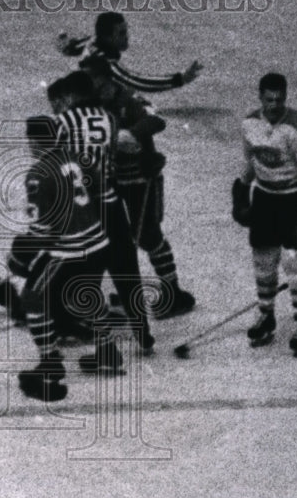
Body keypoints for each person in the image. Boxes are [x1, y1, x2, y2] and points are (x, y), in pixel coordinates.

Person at [11, 116, 127, 402]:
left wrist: (20, 257)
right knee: (83, 296)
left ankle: (50, 364)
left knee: (32, 297)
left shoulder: (38, 174)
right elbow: (107, 197)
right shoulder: (81, 158)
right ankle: (108, 353)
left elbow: (41, 229)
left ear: (36, 141)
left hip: (69, 251)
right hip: (99, 243)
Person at [46, 71, 155, 354]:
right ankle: (142, 332)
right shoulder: (109, 119)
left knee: (73, 265)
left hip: (81, 205)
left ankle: (64, 321)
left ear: (71, 96)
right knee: (126, 268)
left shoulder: (63, 121)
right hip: (111, 202)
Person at [80, 60, 197, 318]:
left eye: (97, 83)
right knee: (108, 238)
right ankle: (119, 295)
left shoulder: (129, 98)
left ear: (109, 81)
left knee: (147, 235)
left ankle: (172, 291)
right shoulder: (89, 104)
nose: (94, 89)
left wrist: (130, 133)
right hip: (108, 180)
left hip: (141, 180)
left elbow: (156, 119)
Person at [231, 73, 297, 358]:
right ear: (260, 97)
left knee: (295, 262)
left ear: (285, 97)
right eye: (269, 99)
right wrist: (240, 192)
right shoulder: (249, 124)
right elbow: (250, 161)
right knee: (263, 260)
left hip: (292, 197)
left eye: (279, 99)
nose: (274, 104)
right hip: (264, 198)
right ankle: (266, 316)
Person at [59, 11, 203, 94]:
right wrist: (179, 79)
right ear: (107, 37)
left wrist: (64, 42)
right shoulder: (105, 62)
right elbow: (136, 81)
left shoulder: (93, 40)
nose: (127, 36)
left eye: (126, 30)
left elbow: (71, 47)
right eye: (121, 33)